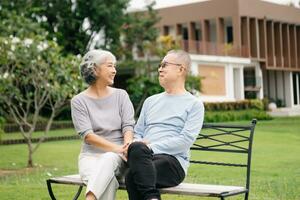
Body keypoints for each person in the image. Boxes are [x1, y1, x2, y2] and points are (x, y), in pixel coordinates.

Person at [125, 49, 205, 200]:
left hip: (173, 163)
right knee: (136, 152)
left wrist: (150, 147)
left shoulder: (194, 104)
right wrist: (139, 144)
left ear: (181, 69)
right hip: (145, 158)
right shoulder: (150, 101)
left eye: (164, 64)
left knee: (132, 177)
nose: (160, 69)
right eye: (160, 65)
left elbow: (185, 140)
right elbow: (138, 133)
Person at [71, 49, 135, 200]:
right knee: (109, 182)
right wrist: (119, 148)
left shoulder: (121, 95)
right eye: (110, 66)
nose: (114, 70)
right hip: (91, 157)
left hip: (118, 157)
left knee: (109, 158)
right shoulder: (79, 101)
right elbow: (88, 136)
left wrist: (125, 147)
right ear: (94, 69)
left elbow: (128, 126)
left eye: (114, 66)